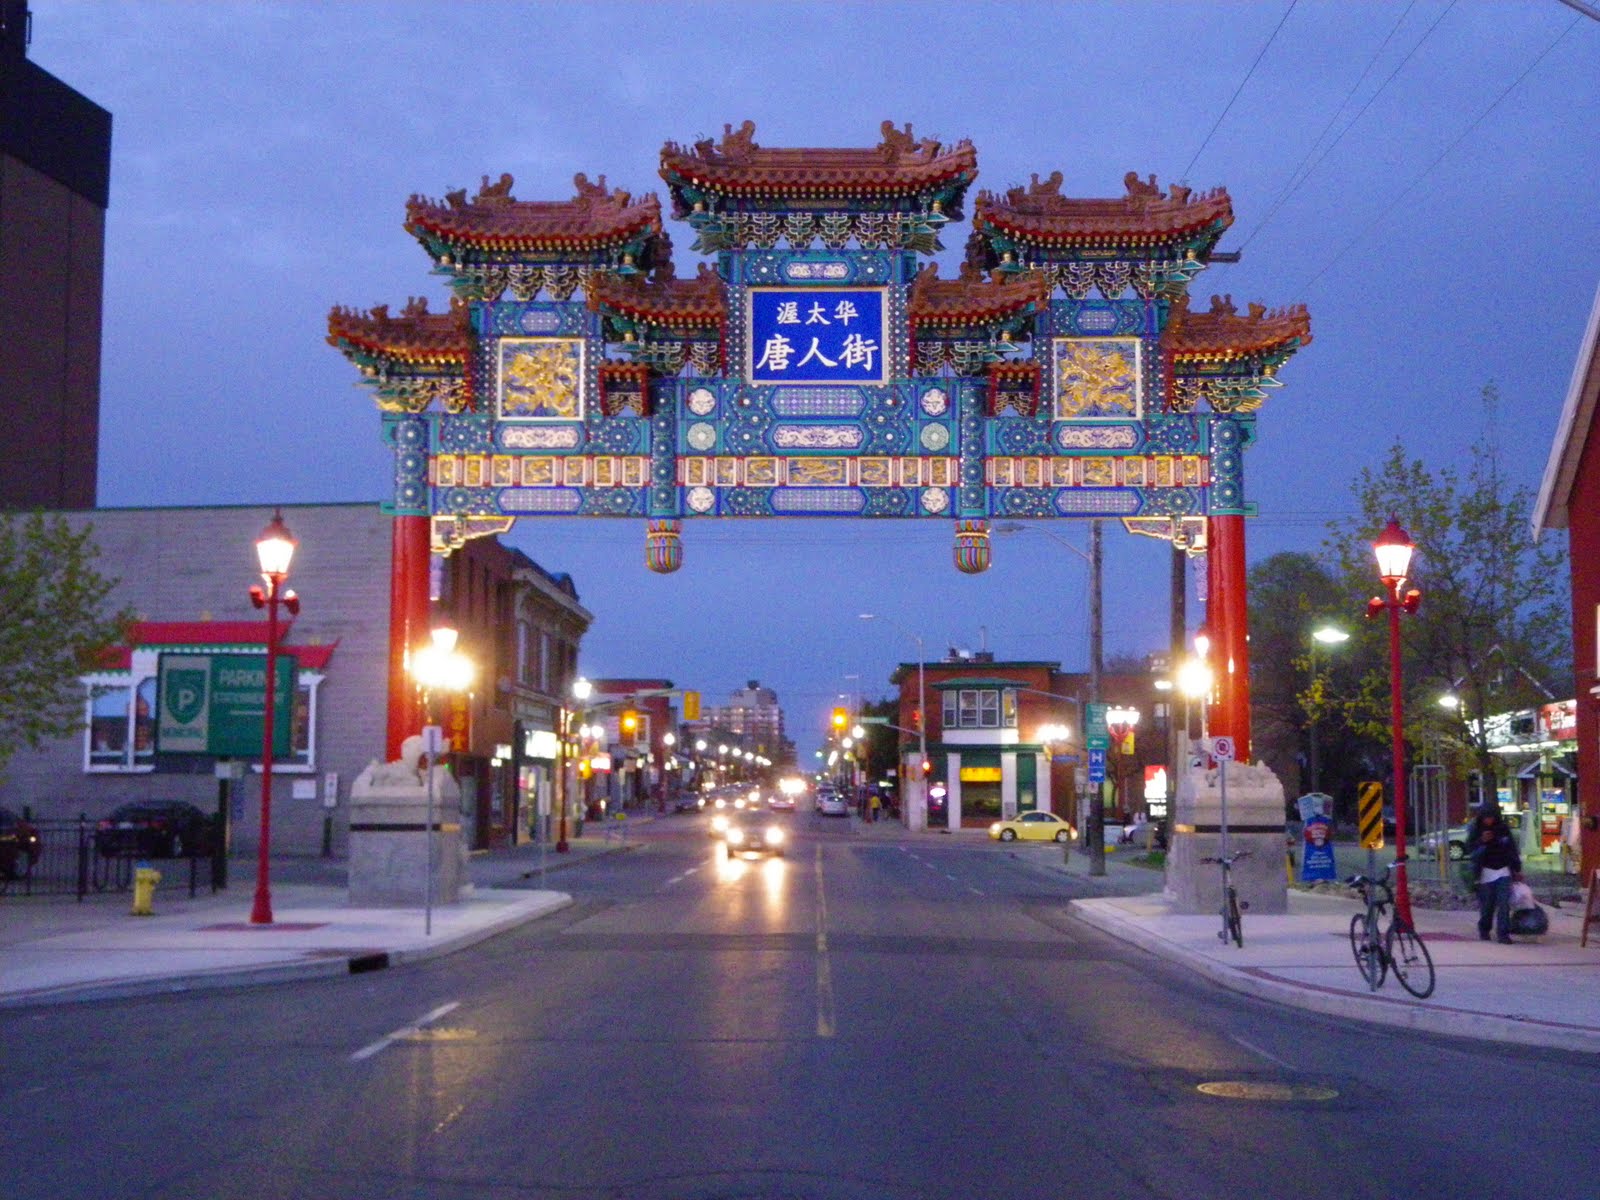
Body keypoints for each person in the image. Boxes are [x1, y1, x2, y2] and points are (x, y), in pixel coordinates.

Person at [1467, 805, 1523, 944]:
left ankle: (1503, 933)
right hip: (1485, 872)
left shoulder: (1503, 829)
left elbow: (1511, 849)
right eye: (1486, 818)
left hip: (1503, 870)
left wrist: (1517, 868)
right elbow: (1470, 848)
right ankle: (1484, 929)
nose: (1489, 821)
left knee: (1504, 904)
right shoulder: (1476, 829)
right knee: (1487, 905)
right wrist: (1482, 841)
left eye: (1491, 818)